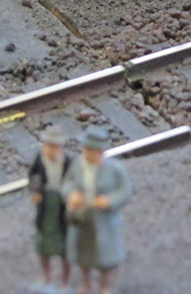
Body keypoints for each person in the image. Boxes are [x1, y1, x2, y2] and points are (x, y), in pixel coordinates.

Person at [62, 127, 131, 294]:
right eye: (87, 149)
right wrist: (71, 195)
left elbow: (125, 191)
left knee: (107, 259)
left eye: (93, 150)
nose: (88, 153)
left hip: (105, 221)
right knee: (83, 256)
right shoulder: (78, 165)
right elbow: (67, 184)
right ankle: (87, 286)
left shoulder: (114, 169)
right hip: (83, 218)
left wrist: (109, 201)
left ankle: (104, 288)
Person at [27, 125, 72, 293]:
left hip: (62, 206)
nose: (51, 149)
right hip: (45, 206)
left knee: (65, 246)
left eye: (54, 146)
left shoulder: (67, 161)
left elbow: (74, 181)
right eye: (48, 145)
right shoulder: (40, 160)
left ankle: (65, 282)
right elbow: (32, 177)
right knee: (43, 245)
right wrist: (35, 190)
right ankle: (47, 277)